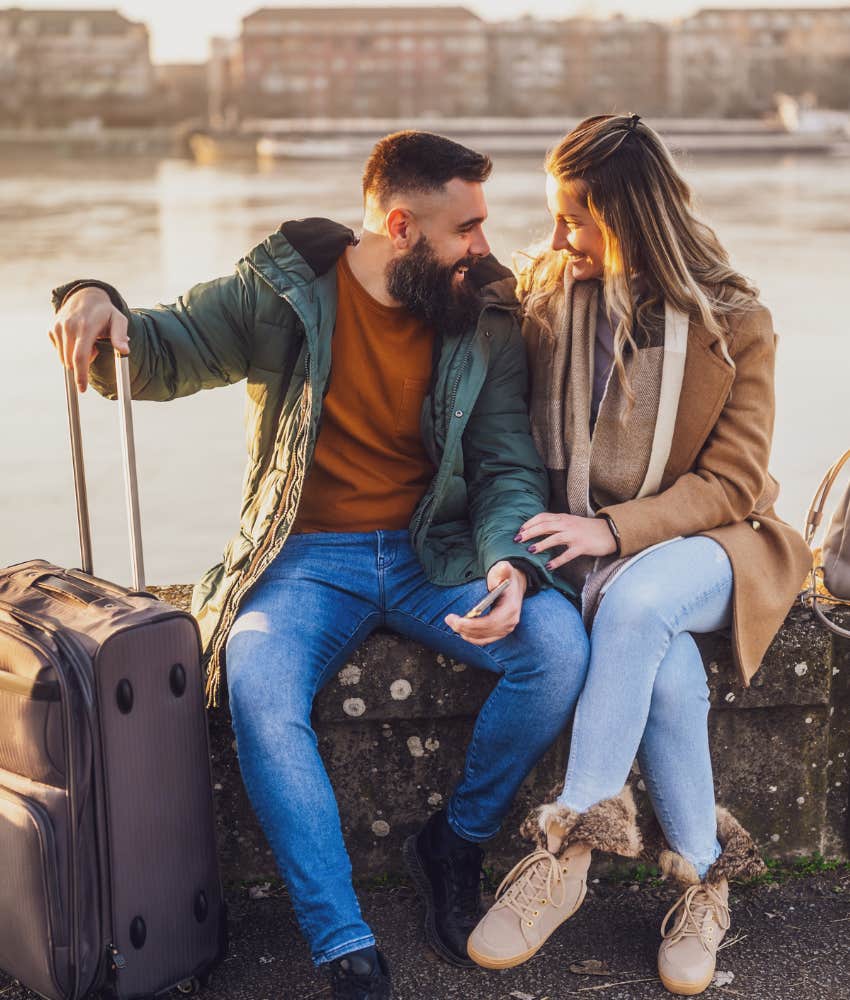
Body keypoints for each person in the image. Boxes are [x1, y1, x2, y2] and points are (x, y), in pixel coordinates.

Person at [48, 130, 591, 1000]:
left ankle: (454, 843)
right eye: (467, 228)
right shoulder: (283, 290)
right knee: (260, 688)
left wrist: (512, 568)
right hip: (302, 560)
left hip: (434, 552)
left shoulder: (484, 313)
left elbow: (505, 467)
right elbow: (158, 348)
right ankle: (343, 943)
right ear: (402, 226)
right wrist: (91, 294)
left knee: (558, 650)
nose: (484, 246)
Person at [465, 114, 811, 997]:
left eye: (574, 220)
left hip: (718, 541)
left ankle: (567, 846)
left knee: (641, 599)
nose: (556, 239)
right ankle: (704, 882)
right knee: (663, 668)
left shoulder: (734, 320)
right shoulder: (543, 298)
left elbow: (734, 480)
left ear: (628, 219)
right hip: (597, 553)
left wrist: (613, 531)